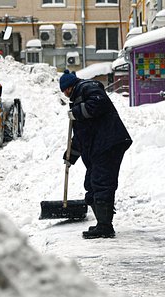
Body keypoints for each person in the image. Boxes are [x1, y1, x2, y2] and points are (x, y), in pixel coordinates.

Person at [59, 69, 132, 239]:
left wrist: (77, 112)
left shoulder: (88, 87)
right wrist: (71, 155)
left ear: (68, 87)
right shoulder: (78, 97)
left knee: (101, 182)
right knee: (91, 184)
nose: (65, 94)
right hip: (100, 145)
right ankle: (102, 222)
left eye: (65, 90)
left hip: (108, 143)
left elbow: (100, 103)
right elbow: (82, 134)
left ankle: (105, 226)